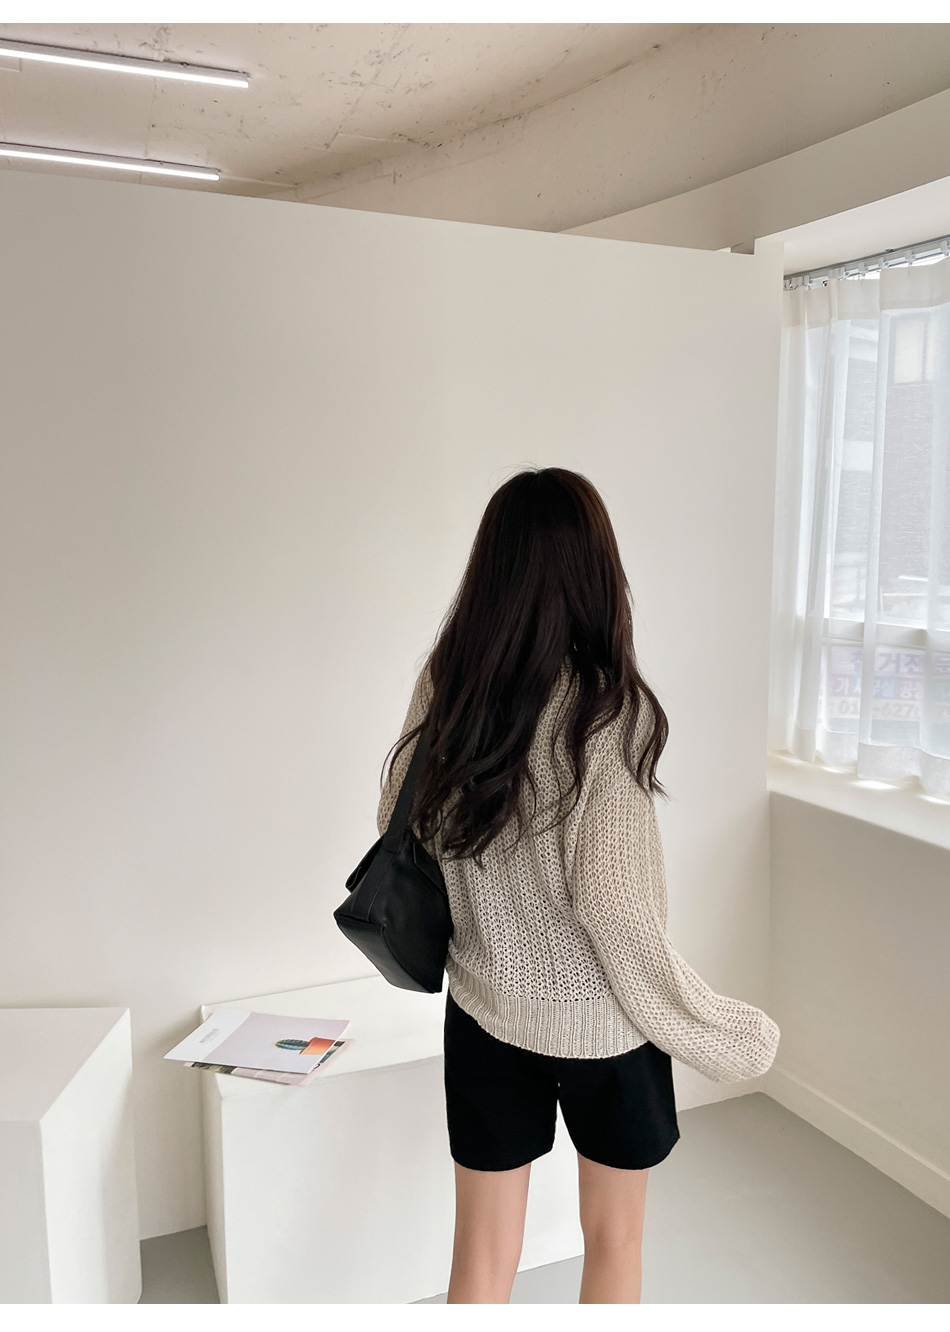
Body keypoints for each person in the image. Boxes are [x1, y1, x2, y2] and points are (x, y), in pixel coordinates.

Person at [375, 467, 780, 1305]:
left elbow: (397, 821)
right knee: (614, 1242)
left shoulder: (448, 685)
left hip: (484, 1008)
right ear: (597, 571)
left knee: (481, 1257)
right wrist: (711, 1024)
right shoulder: (606, 710)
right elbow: (614, 907)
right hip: (606, 1028)